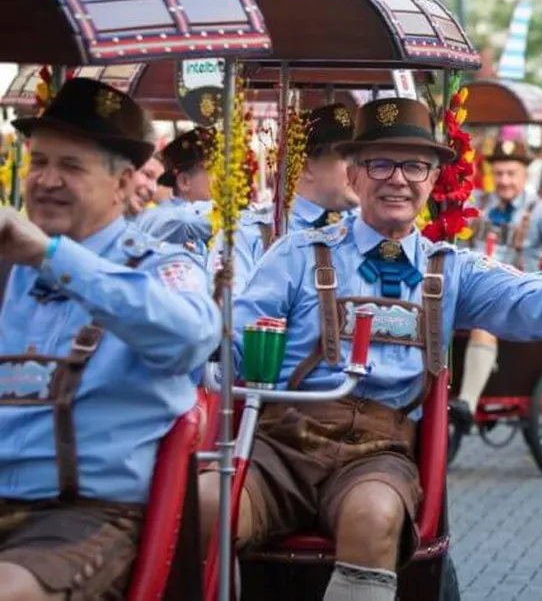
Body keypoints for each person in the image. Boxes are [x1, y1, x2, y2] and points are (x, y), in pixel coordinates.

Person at [196, 97, 542, 601]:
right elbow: (232, 340)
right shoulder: (297, 254)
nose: (397, 179)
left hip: (377, 456)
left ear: (430, 181)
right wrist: (203, 353)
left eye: (414, 167)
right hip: (281, 446)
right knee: (206, 504)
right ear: (353, 175)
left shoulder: (452, 269)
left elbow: (539, 302)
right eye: (379, 164)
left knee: (373, 517)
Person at [0, 77, 221, 601]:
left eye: (70, 166)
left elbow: (190, 338)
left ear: (123, 184)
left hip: (87, 519)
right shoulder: (6, 270)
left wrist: (53, 257)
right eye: (39, 162)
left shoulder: (162, 266)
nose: (47, 180)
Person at [452, 136, 542, 429]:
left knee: (483, 322)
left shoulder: (539, 209)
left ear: (525, 175)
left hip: (516, 291)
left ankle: (466, 404)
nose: (504, 181)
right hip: (470, 285)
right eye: (499, 173)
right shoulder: (479, 202)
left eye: (511, 173)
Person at [208, 103, 357, 295]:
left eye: (362, 160)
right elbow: (230, 313)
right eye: (349, 160)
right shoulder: (248, 234)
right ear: (305, 167)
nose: (359, 170)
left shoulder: (369, 230)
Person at [137, 127, 216, 254]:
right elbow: (184, 222)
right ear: (184, 182)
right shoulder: (164, 218)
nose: (223, 178)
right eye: (213, 170)